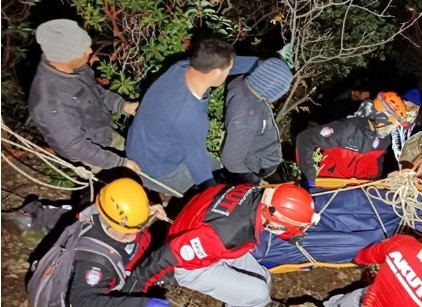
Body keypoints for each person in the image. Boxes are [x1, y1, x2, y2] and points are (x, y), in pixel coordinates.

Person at [124, 183, 319, 307]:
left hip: (206, 232)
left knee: (264, 278)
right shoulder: (222, 235)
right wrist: (132, 293)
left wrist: (289, 234)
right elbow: (165, 256)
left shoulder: (254, 191)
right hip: (193, 263)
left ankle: (255, 303)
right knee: (258, 293)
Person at [126, 35, 260, 194]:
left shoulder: (181, 67)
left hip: (142, 142)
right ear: (216, 73)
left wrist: (260, 64)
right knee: (213, 185)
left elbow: (224, 64)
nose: (230, 70)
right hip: (155, 168)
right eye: (229, 69)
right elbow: (197, 163)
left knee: (217, 167)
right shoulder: (189, 115)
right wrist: (212, 195)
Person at [28, 178, 173, 307]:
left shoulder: (102, 209)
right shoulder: (94, 262)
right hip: (82, 293)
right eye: (127, 230)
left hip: (118, 261)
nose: (132, 235)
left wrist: (144, 215)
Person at [29, 19, 140, 173]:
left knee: (138, 161)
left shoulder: (74, 66)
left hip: (104, 133)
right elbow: (74, 146)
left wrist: (123, 106)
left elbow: (95, 91)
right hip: (90, 155)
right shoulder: (51, 102)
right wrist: (119, 162)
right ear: (65, 56)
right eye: (83, 49)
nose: (89, 51)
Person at [296, 92, 408, 185]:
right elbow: (305, 139)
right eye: (391, 125)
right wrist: (310, 179)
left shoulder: (383, 140)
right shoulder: (346, 129)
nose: (391, 130)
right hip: (329, 186)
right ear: (380, 118)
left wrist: (374, 183)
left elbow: (376, 163)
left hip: (358, 192)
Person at [220, 58, 293, 184]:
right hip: (260, 168)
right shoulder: (247, 118)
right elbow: (231, 161)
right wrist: (256, 182)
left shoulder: (242, 82)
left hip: (265, 158)